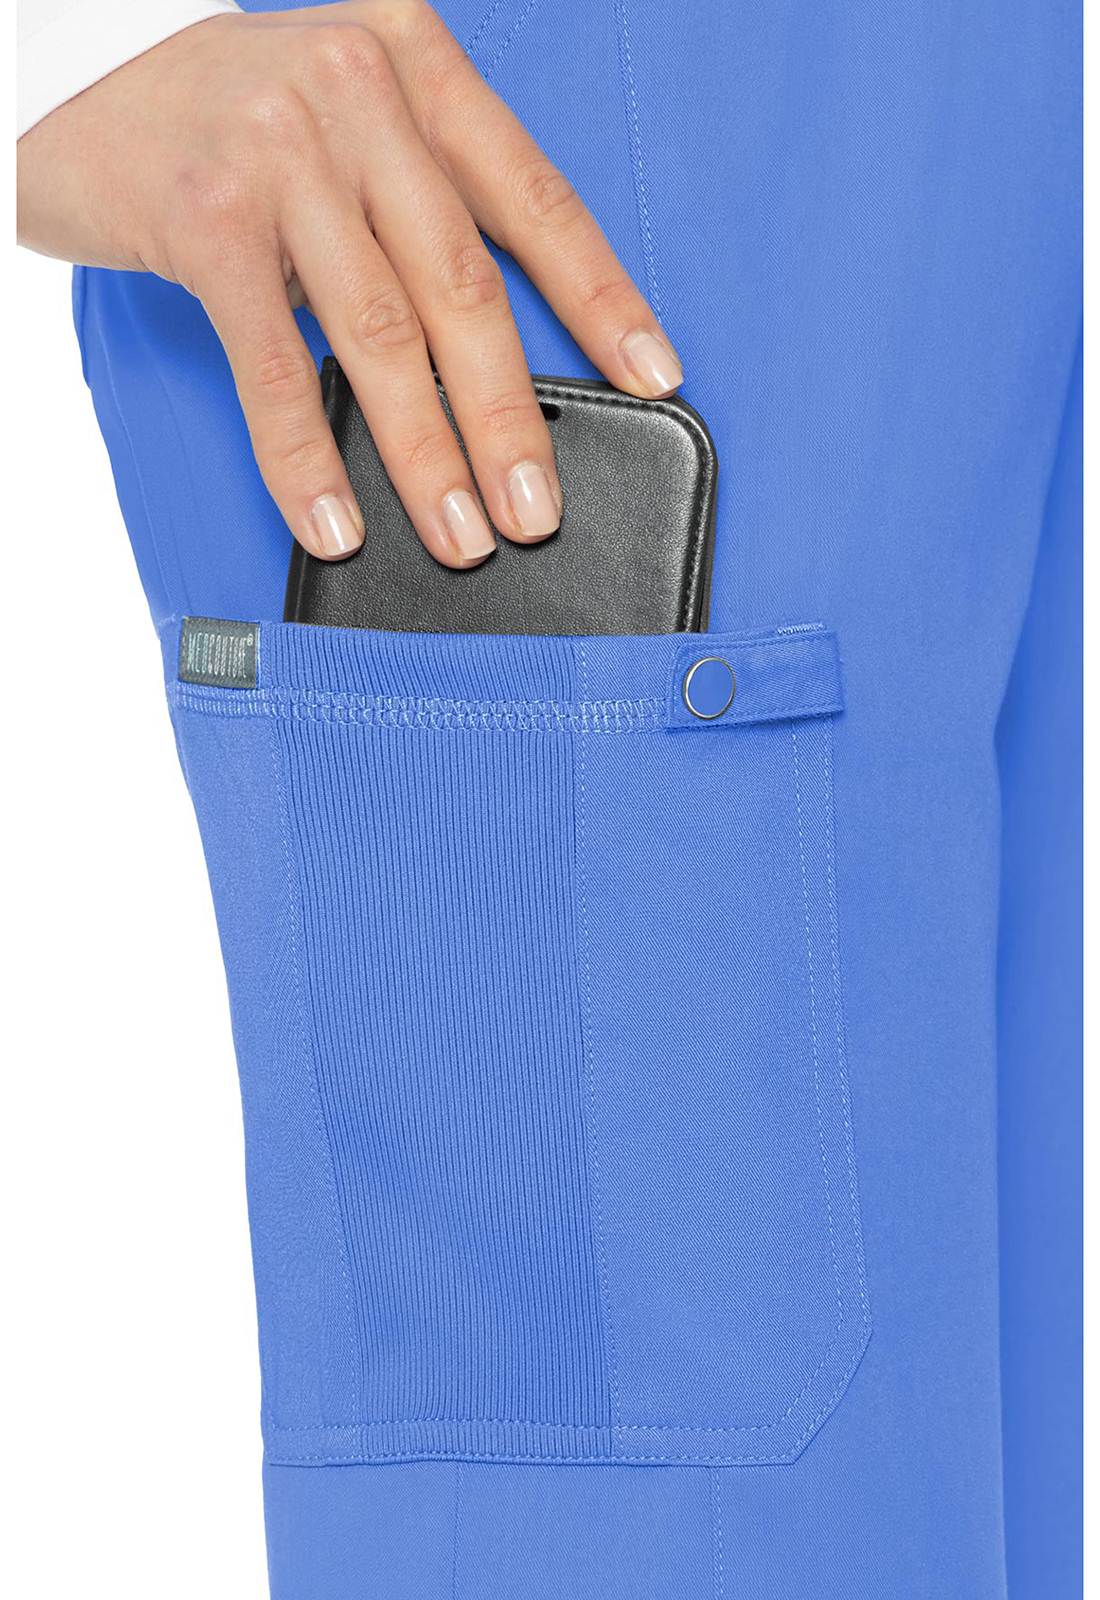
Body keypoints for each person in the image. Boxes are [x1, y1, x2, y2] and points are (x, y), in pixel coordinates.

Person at [16, 3, 1082, 1598]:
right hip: (512, 168)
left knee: (1001, 1437)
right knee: (665, 1500)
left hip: (1004, 132)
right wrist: (61, 75)